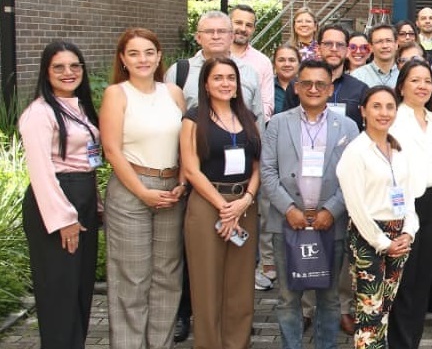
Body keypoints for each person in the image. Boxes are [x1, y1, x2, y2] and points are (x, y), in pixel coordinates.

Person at [261, 59, 361, 349]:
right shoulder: (278, 123)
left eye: (320, 84)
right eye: (307, 83)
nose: (313, 89)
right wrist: (289, 209)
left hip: (331, 223)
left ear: (330, 89)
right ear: (296, 87)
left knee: (329, 298)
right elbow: (267, 171)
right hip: (287, 223)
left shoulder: (348, 126)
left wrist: (331, 210)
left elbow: (354, 174)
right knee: (287, 297)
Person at [100, 29, 187, 348]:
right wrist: (142, 191)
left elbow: (186, 143)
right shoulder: (117, 94)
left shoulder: (173, 92)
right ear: (123, 59)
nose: (143, 59)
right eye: (134, 53)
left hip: (171, 189)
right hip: (131, 189)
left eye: (149, 52)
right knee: (132, 278)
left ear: (159, 56)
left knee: (167, 276)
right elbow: (111, 150)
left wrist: (182, 183)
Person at [18, 41, 101, 349]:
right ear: (46, 72)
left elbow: (87, 161)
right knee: (59, 293)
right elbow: (41, 171)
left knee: (80, 288)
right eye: (59, 67)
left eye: (74, 65)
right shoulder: (39, 113)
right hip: (57, 203)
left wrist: (96, 202)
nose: (69, 72)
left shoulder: (79, 106)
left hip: (83, 199)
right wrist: (64, 218)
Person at [179, 56, 263, 349]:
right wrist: (224, 208)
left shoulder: (248, 118)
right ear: (205, 84)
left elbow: (258, 166)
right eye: (218, 78)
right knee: (207, 283)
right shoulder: (193, 119)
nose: (225, 83)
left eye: (230, 78)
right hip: (207, 204)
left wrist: (245, 200)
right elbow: (191, 169)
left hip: (244, 205)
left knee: (240, 284)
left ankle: (237, 343)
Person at [337, 87, 428, 349]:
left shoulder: (398, 149)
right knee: (370, 313)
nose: (384, 112)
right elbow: (356, 208)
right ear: (363, 111)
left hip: (399, 236)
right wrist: (383, 243)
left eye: (389, 106)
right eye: (376, 106)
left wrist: (408, 231)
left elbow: (409, 197)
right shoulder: (355, 152)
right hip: (369, 237)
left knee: (385, 307)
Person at [385, 60, 432, 349]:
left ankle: (411, 341)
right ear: (401, 86)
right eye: (415, 80)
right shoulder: (392, 119)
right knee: (403, 278)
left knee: (424, 278)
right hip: (402, 204)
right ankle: (399, 342)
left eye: (427, 81)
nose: (422, 86)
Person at [167, 10, 264, 123]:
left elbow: (258, 119)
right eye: (209, 31)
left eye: (222, 31)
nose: (216, 36)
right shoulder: (179, 72)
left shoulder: (248, 72)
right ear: (198, 37)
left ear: (232, 37)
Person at [229, 4, 275, 118]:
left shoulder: (263, 62)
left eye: (248, 25)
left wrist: (250, 123)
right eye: (238, 23)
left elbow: (267, 104)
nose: (243, 29)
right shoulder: (215, 56)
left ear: (254, 29)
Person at [351, 24, 402, 88]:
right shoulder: (358, 76)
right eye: (379, 41)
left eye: (389, 41)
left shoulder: (405, 74)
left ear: (396, 44)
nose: (385, 46)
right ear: (370, 47)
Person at [274, 44, 301, 114]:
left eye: (292, 60)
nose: (287, 64)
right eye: (281, 60)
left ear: (299, 64)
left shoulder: (308, 87)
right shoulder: (267, 87)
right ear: (274, 64)